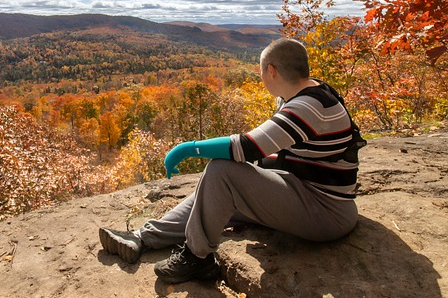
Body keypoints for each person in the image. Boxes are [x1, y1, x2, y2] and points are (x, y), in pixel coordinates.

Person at [99, 38, 363, 284]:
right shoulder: (303, 93)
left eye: (261, 72)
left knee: (222, 170)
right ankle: (141, 238)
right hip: (303, 192)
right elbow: (275, 150)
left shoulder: (309, 106)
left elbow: (247, 147)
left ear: (271, 71)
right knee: (215, 191)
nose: (261, 78)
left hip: (325, 212)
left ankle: (197, 258)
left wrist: (186, 148)